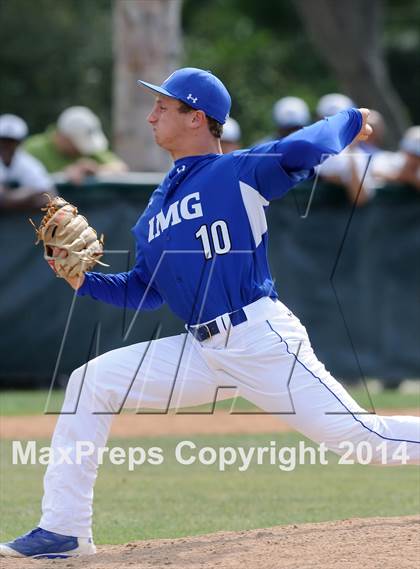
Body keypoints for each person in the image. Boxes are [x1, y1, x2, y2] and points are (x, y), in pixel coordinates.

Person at [1, 68, 419, 559]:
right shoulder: (154, 211)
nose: (152, 114)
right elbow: (145, 291)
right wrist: (83, 281)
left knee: (363, 442)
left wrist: (353, 118)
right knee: (92, 381)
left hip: (259, 340)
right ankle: (64, 530)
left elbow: (306, 147)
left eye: (164, 106)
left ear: (196, 117)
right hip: (202, 351)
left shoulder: (237, 173)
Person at [24, 106, 127, 185]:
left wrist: (95, 171)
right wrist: (64, 176)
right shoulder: (33, 149)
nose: (81, 150)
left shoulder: (90, 150)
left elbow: (120, 167)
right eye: (77, 143)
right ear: (64, 137)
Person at [0, 114, 55, 209]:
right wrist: (30, 195)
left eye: (11, 141)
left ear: (20, 142)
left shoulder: (27, 163)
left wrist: (9, 198)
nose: (6, 145)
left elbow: (49, 196)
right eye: (3, 140)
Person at [369, 125, 420, 191]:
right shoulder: (385, 159)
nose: (414, 159)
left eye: (417, 156)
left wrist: (412, 179)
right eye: (412, 154)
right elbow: (373, 172)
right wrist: (401, 177)